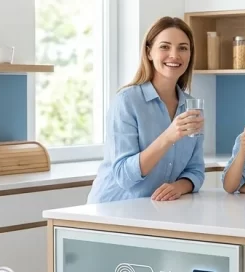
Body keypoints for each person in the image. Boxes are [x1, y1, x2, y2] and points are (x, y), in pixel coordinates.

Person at [87, 17, 206, 203]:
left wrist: (178, 187)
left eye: (183, 48)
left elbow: (196, 170)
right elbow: (124, 175)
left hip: (154, 210)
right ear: (149, 52)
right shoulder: (127, 101)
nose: (174, 55)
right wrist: (168, 137)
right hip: (112, 210)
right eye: (165, 47)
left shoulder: (191, 107)